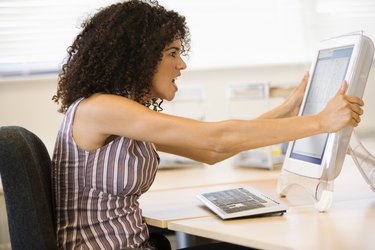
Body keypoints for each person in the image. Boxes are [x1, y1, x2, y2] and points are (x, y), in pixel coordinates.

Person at [51, 0, 365, 249]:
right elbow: (216, 138)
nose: (182, 63)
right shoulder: (101, 109)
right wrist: (321, 122)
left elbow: (211, 152)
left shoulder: (123, 115)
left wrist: (289, 108)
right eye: (172, 53)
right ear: (138, 57)